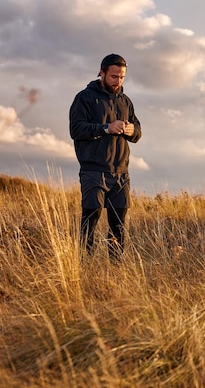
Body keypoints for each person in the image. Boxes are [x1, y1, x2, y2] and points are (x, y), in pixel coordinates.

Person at [69, 54, 142, 262]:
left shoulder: (126, 101)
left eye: (122, 77)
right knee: (90, 221)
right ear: (101, 72)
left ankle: (116, 271)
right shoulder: (84, 98)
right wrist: (106, 128)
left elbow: (138, 132)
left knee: (119, 225)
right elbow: (76, 129)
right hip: (93, 171)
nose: (118, 81)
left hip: (121, 173)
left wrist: (131, 130)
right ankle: (85, 268)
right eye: (113, 76)